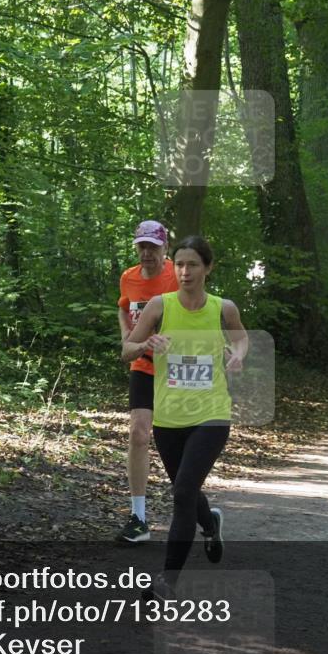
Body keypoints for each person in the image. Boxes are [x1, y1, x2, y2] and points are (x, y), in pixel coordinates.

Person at [121, 236, 248, 601]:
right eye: (179, 264)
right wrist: (145, 345)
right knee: (186, 492)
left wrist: (237, 355)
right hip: (170, 418)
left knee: (182, 493)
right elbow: (126, 348)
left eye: (192, 264)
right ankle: (210, 523)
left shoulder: (223, 309)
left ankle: (166, 583)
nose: (184, 271)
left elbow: (241, 339)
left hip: (211, 415)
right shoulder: (160, 306)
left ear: (208, 268)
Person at [115, 220, 178, 543]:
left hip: (177, 369)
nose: (146, 253)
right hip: (142, 363)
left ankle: (201, 512)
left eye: (152, 246)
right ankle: (138, 518)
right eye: (141, 246)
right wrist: (128, 335)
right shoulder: (128, 278)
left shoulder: (177, 277)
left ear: (165, 248)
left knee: (173, 447)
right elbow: (124, 308)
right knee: (139, 433)